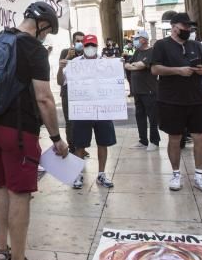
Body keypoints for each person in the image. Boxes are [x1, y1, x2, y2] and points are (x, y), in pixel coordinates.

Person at [0, 2, 69, 260]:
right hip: (17, 130)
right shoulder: (34, 49)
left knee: (1, 186)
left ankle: (1, 249)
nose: (46, 36)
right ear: (42, 25)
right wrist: (56, 138)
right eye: (48, 30)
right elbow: (43, 97)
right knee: (20, 192)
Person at [150, 12, 202, 194]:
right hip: (171, 99)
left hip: (196, 97)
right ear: (174, 27)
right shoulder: (162, 45)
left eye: (189, 27)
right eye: (185, 27)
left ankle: (199, 176)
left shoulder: (196, 45)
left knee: (200, 136)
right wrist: (178, 70)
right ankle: (176, 174)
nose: (188, 30)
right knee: (175, 137)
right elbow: (155, 69)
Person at [58, 35, 116, 189]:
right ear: (83, 47)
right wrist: (60, 67)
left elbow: (115, 82)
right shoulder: (74, 64)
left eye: (93, 45)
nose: (90, 48)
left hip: (101, 109)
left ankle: (101, 174)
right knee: (79, 144)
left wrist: (118, 65)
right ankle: (78, 174)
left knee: (103, 142)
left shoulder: (105, 63)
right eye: (87, 45)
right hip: (82, 110)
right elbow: (60, 82)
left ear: (97, 46)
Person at [124, 30, 159, 150]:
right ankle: (143, 141)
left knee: (152, 116)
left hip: (149, 89)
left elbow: (142, 65)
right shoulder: (137, 51)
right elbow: (127, 65)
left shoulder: (152, 51)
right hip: (137, 90)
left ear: (144, 39)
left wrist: (135, 66)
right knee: (140, 116)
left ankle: (154, 141)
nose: (135, 41)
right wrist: (134, 66)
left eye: (137, 38)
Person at [57, 32, 85, 151]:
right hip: (67, 92)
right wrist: (68, 57)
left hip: (82, 93)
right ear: (73, 42)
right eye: (77, 41)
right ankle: (72, 146)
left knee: (81, 121)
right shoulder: (65, 52)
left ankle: (81, 146)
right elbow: (60, 76)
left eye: (82, 41)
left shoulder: (86, 54)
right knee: (70, 121)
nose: (80, 43)